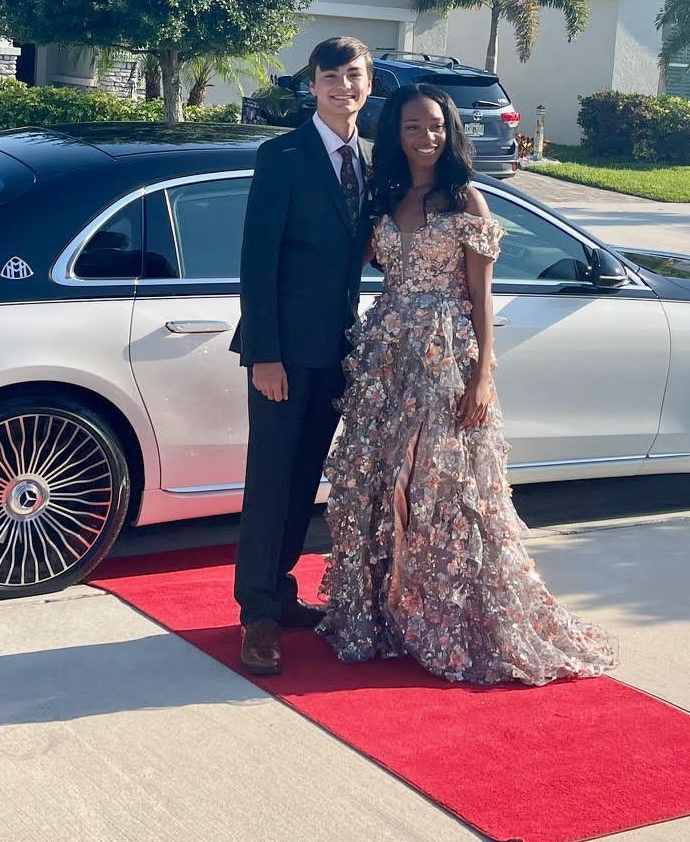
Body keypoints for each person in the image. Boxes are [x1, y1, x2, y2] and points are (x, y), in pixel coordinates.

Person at [317, 82, 617, 684]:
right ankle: (384, 611)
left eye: (435, 126)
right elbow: (348, 263)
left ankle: (444, 616)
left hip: (446, 355)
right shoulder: (384, 196)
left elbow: (481, 298)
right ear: (395, 134)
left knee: (441, 488)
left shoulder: (466, 200)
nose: (425, 137)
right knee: (379, 479)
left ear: (449, 131)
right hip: (385, 358)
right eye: (412, 127)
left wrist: (481, 376)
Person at [232, 36, 373, 676]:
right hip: (283, 354)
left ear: (368, 83)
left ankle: (280, 591)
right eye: (330, 76)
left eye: (354, 75)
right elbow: (257, 261)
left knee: (303, 479)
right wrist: (264, 354)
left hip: (337, 349)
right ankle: (257, 614)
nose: (343, 86)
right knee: (271, 479)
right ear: (312, 85)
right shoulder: (282, 155)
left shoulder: (369, 159)